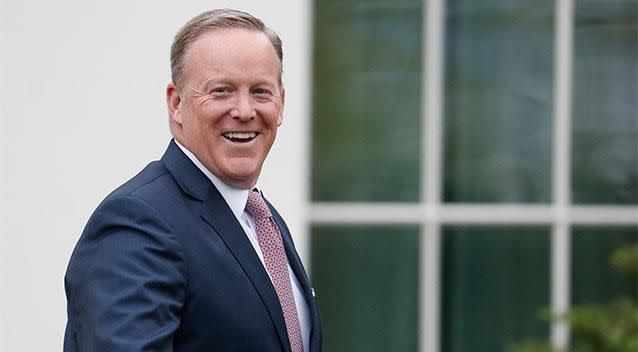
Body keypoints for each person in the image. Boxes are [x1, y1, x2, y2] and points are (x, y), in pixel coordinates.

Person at [64, 9, 321, 352]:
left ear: (281, 102)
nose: (245, 110)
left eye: (260, 91)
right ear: (176, 104)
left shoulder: (263, 222)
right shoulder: (137, 223)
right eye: (221, 91)